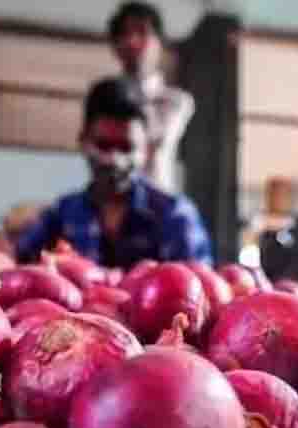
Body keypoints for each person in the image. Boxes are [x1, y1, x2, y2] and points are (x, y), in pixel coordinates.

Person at [16, 76, 212, 269]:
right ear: (83, 141)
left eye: (126, 147)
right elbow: (18, 266)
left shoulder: (174, 216)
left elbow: (199, 290)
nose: (114, 159)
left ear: (145, 149)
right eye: (104, 145)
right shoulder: (62, 214)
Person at [108, 2, 193, 192]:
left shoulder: (177, 102)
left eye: (141, 32)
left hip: (160, 207)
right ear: (115, 47)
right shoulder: (105, 98)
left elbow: (153, 144)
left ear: (160, 43)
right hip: (112, 207)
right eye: (124, 34)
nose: (132, 41)